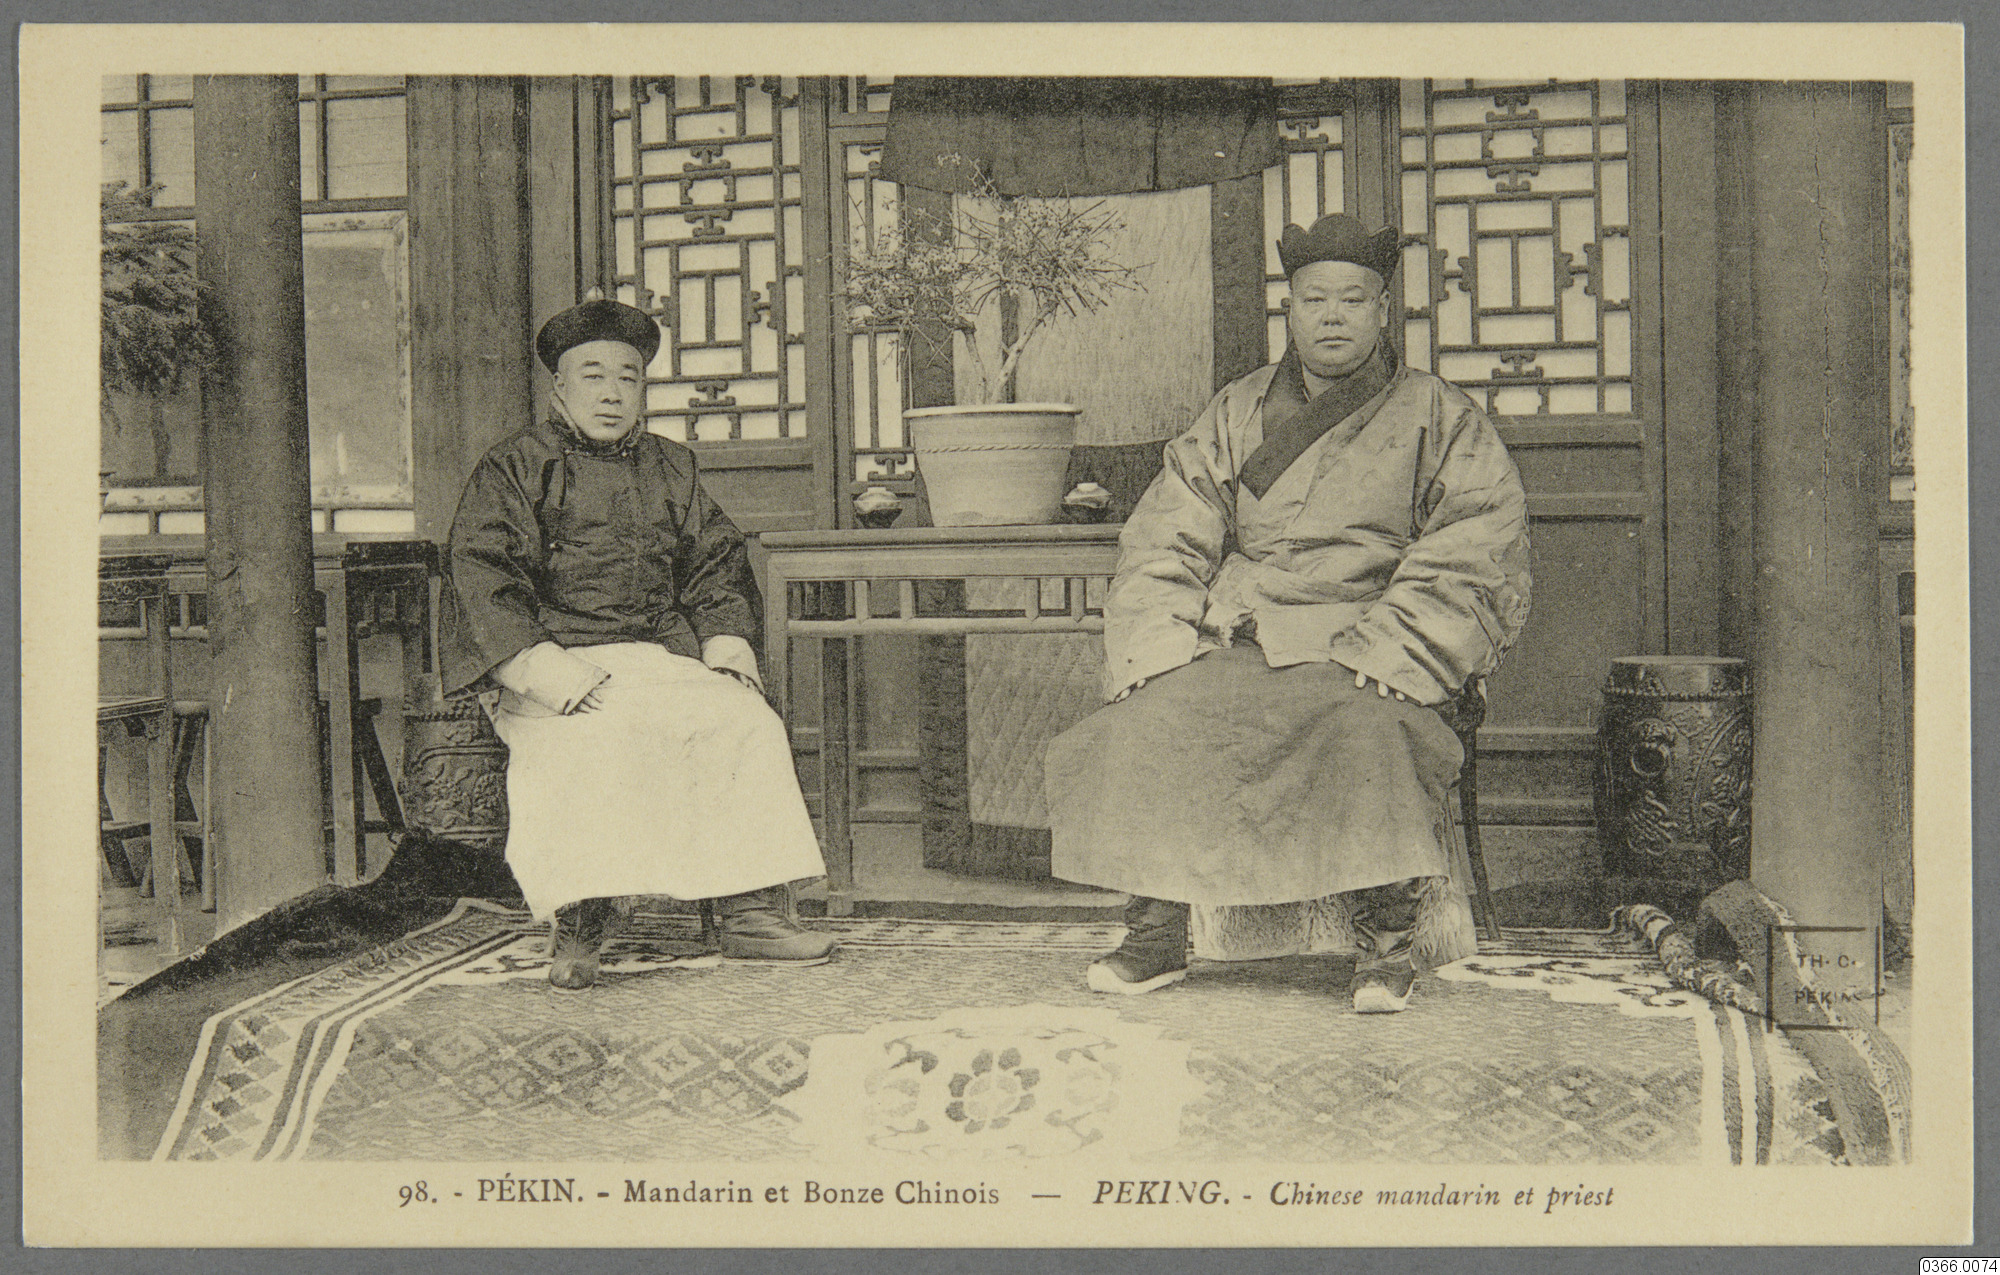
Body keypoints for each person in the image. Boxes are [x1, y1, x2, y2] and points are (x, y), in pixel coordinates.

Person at [1044, 214, 1531, 1013]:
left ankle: (1386, 944)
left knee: (1366, 725)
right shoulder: (1237, 410)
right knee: (1150, 714)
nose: (1332, 317)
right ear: (1291, 310)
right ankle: (1157, 931)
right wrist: (1154, 641)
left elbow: (1475, 540)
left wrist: (1396, 647)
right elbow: (1169, 529)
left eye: (1352, 300)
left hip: (1366, 633)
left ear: (1383, 310)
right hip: (1246, 632)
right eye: (1314, 300)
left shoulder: (1440, 415)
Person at [438, 294, 835, 991]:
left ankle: (749, 910)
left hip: (655, 657)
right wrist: (541, 666)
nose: (611, 393)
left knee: (743, 720)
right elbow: (482, 572)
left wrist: (725, 649)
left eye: (628, 377)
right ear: (559, 387)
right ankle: (582, 915)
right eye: (592, 376)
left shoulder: (672, 467)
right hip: (553, 662)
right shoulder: (515, 467)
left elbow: (716, 564)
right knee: (597, 736)